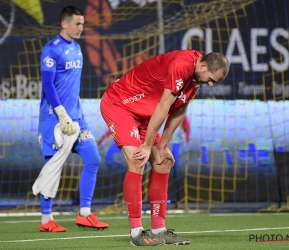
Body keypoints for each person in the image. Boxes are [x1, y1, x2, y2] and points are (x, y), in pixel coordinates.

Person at [100, 50, 229, 246]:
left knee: (163, 162)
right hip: (120, 105)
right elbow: (163, 106)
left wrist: (163, 146)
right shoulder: (181, 65)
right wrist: (146, 146)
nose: (210, 84)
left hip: (144, 116)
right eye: (211, 79)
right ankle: (136, 233)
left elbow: (179, 110)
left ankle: (159, 230)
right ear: (203, 66)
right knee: (137, 159)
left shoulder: (195, 78)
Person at [38, 5, 108, 232]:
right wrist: (60, 113)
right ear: (64, 24)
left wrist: (73, 114)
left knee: (93, 159)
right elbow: (48, 84)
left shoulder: (77, 48)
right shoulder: (51, 50)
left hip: (77, 119)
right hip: (54, 119)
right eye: (77, 23)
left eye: (82, 24)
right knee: (52, 167)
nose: (81, 27)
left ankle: (84, 213)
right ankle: (45, 220)